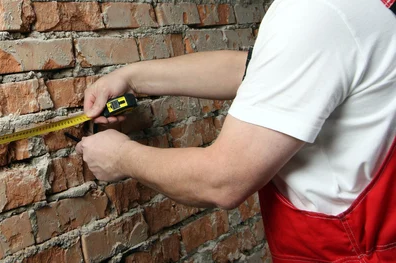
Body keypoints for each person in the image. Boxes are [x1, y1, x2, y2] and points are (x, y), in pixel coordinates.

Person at [76, 0, 396, 261]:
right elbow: (259, 70)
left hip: (350, 252)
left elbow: (223, 180)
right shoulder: (361, 10)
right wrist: (130, 77)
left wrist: (119, 157)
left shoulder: (317, 12)